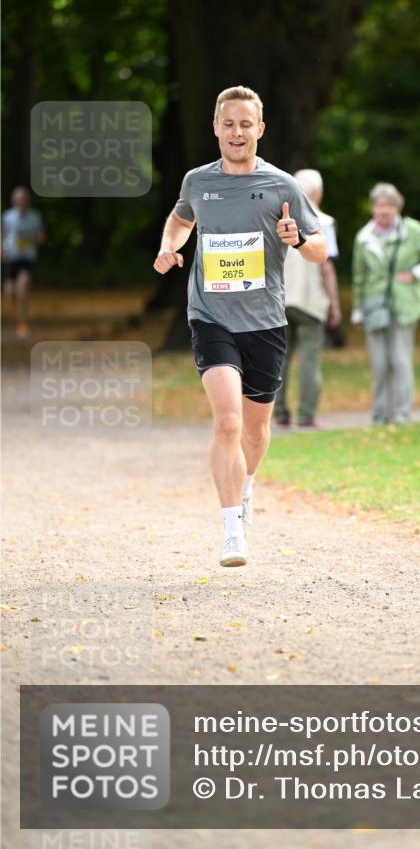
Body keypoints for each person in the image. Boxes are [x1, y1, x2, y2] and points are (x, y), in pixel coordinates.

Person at [153, 86, 327, 568]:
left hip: (264, 322)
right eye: (228, 124)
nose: (236, 132)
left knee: (255, 430)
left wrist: (298, 239)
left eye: (245, 124)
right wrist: (168, 247)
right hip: (210, 315)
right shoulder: (197, 181)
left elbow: (321, 250)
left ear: (260, 129)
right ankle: (232, 530)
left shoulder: (281, 185)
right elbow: (180, 220)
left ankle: (246, 484)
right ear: (215, 128)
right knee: (227, 421)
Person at [351, 182, 420, 424]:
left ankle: (401, 413)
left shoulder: (411, 230)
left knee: (400, 359)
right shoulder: (364, 238)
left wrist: (418, 273)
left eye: (389, 205)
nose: (384, 210)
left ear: (398, 208)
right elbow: (359, 277)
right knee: (379, 363)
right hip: (374, 305)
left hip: (404, 305)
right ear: (373, 208)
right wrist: (357, 309)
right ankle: (380, 413)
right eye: (379, 205)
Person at [274, 168, 342, 428]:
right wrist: (334, 305)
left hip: (279, 300)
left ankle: (279, 413)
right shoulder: (324, 223)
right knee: (309, 360)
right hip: (310, 301)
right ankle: (306, 415)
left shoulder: (278, 220)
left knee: (279, 359)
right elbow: (326, 268)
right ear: (316, 192)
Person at [1, 186, 45, 340]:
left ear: (28, 200)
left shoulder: (35, 217)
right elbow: (2, 235)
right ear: (14, 200)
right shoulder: (7, 216)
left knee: (23, 289)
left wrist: (40, 237)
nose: (21, 201)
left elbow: (40, 234)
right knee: (10, 292)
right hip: (11, 258)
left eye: (24, 199)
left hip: (27, 258)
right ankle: (13, 308)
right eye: (19, 199)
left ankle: (22, 325)